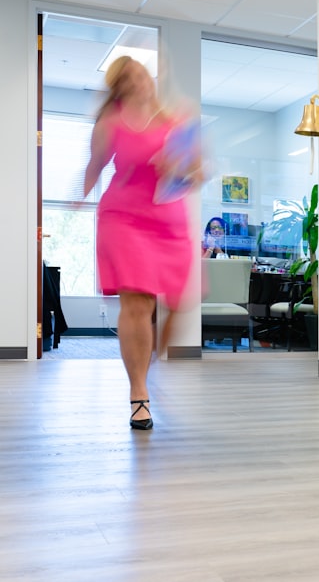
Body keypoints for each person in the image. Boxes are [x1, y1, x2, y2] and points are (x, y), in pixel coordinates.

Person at [83, 56, 201, 431]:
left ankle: (148, 358)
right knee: (137, 301)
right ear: (118, 87)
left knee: (180, 301)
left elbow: (199, 171)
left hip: (169, 221)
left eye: (142, 75)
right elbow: (95, 165)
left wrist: (178, 167)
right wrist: (79, 195)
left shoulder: (176, 120)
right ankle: (139, 395)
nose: (138, 82)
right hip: (125, 218)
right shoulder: (110, 124)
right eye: (128, 78)